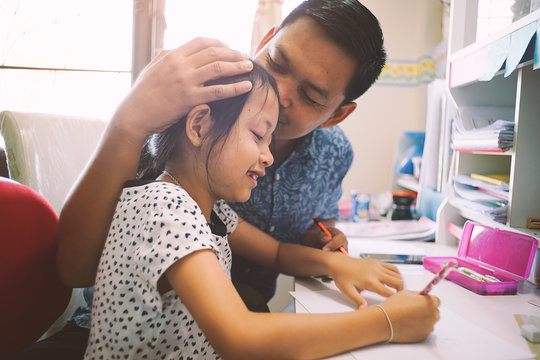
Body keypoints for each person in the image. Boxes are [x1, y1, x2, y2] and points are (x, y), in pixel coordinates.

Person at [84, 61, 438, 359]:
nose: (268, 156)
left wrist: (337, 263)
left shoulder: (209, 209)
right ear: (199, 125)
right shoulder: (166, 208)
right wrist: (386, 322)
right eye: (257, 135)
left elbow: (278, 253)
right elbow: (240, 336)